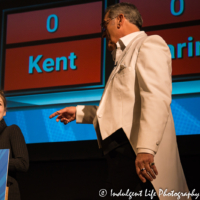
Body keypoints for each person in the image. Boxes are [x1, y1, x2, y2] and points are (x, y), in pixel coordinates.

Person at [50, 2, 189, 199]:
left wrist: (146, 149)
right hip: (120, 157)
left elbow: (156, 97)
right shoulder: (122, 57)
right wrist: (80, 112)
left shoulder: (149, 44)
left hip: (136, 154)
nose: (102, 33)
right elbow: (121, 109)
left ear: (120, 20)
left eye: (104, 24)